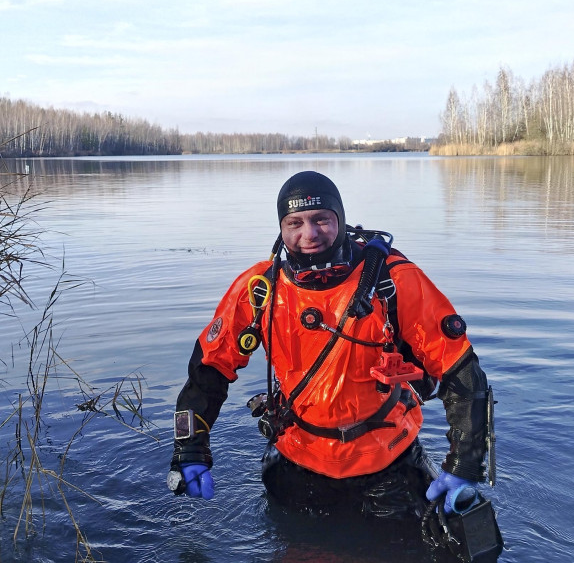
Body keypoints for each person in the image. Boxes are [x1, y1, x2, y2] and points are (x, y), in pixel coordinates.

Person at [167, 170, 494, 539]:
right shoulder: (259, 290)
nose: (309, 234)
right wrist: (189, 448)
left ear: (340, 219)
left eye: (321, 219)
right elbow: (209, 370)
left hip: (389, 463)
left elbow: (460, 371)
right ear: (281, 227)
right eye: (295, 223)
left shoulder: (392, 280)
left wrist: (464, 464)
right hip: (296, 462)